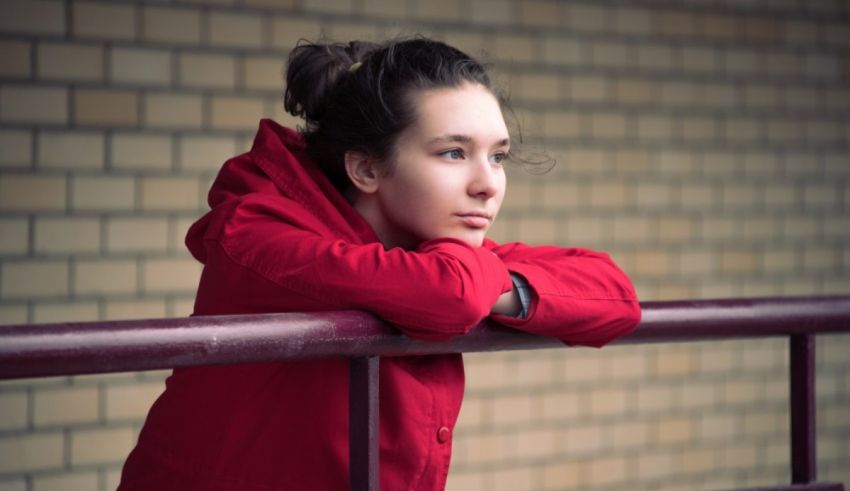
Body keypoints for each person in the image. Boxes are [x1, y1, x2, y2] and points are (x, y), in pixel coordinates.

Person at [118, 37, 641, 490]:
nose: (488, 184)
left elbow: (615, 295)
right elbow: (449, 295)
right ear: (366, 168)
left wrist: (496, 284)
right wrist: (479, 280)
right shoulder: (259, 234)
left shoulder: (430, 245)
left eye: (498, 155)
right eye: (453, 153)